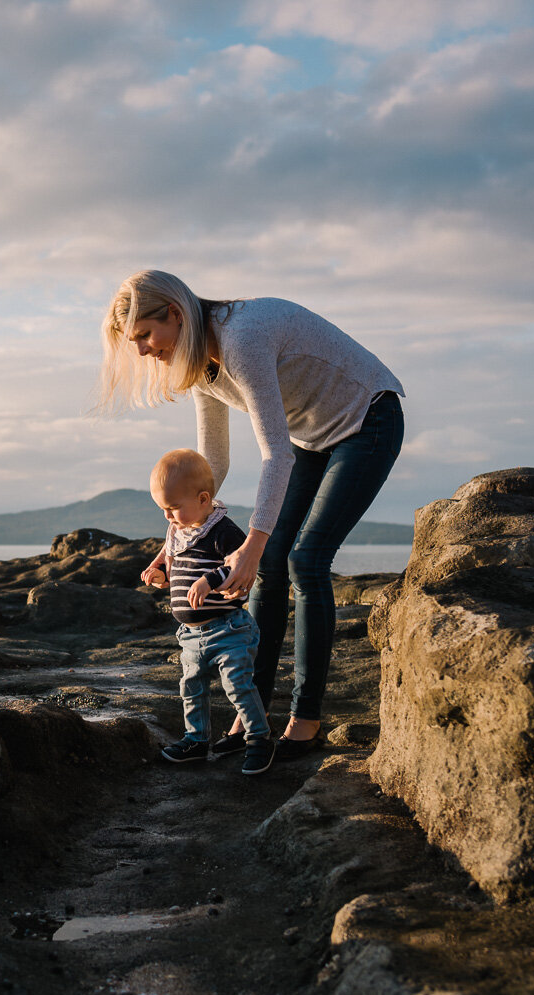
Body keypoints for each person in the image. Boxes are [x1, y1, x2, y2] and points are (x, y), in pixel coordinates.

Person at [99, 270, 404, 762]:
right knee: (267, 565)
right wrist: (172, 542)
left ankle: (305, 721)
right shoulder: (197, 362)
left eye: (144, 336)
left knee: (305, 561)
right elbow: (211, 464)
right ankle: (253, 715)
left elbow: (275, 455)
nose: (141, 351)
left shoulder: (242, 337)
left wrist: (251, 546)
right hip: (310, 438)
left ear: (175, 315)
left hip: (368, 418)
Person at [143, 449, 275, 776]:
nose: (168, 517)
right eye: (163, 509)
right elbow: (176, 572)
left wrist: (210, 581)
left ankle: (258, 738)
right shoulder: (178, 532)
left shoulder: (222, 530)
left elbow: (239, 566)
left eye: (173, 509)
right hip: (190, 636)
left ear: (203, 499)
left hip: (228, 629)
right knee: (192, 687)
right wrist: (162, 577)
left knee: (238, 686)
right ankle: (196, 739)